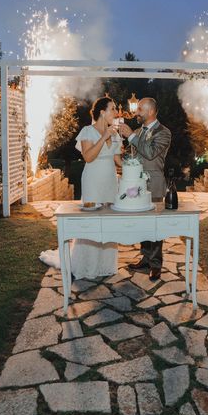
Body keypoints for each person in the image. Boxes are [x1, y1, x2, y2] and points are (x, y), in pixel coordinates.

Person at [119, 97, 172, 280]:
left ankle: (156, 265)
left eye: (140, 109)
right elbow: (132, 154)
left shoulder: (164, 133)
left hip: (154, 183)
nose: (136, 113)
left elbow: (149, 153)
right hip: (138, 184)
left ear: (150, 112)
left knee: (155, 225)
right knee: (143, 223)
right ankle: (146, 258)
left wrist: (131, 137)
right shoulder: (138, 131)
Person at [70, 96, 123, 279]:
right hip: (92, 179)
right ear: (102, 111)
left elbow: (117, 160)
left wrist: (134, 166)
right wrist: (104, 137)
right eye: (113, 109)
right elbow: (88, 157)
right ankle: (87, 266)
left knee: (109, 222)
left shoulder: (115, 135)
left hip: (110, 180)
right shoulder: (87, 131)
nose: (116, 113)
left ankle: (105, 265)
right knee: (91, 223)